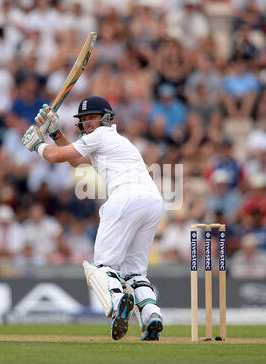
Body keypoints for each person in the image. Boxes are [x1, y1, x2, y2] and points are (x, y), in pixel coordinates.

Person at [21, 96, 164, 341]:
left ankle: (120, 302)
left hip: (125, 198)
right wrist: (54, 133)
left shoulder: (100, 135)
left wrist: (38, 145)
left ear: (106, 118)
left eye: (92, 118)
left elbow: (55, 157)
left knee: (103, 267)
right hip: (153, 201)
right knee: (135, 271)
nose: (87, 123)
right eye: (84, 119)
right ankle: (152, 316)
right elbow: (76, 161)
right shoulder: (114, 140)